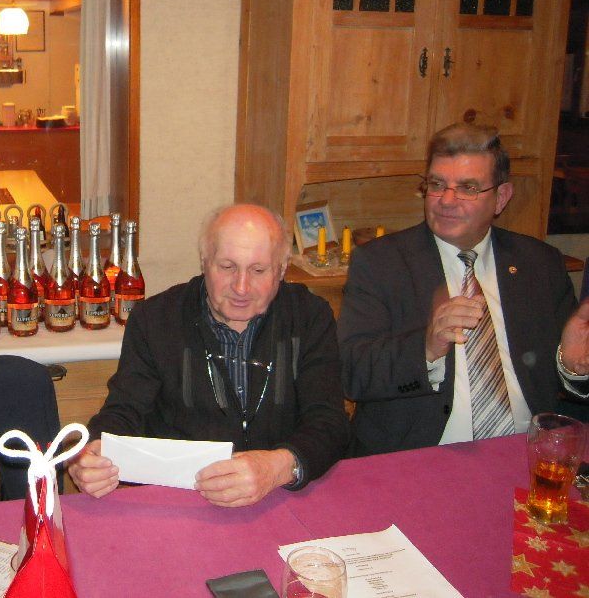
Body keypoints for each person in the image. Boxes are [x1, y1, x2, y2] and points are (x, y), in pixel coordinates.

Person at [67, 204, 349, 507]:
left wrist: (277, 467)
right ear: (204, 262)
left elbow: (329, 422)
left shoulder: (309, 317)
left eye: (258, 270)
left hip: (280, 496)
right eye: (227, 267)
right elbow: (125, 411)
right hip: (182, 502)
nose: (241, 287)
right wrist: (93, 451)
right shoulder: (155, 319)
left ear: (281, 270)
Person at [338, 123, 589, 457]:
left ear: (501, 198)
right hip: (418, 457)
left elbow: (564, 386)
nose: (446, 200)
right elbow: (351, 373)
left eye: (468, 188)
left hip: (524, 453)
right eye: (437, 184)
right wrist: (426, 347)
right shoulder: (381, 263)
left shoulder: (540, 264)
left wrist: (571, 366)